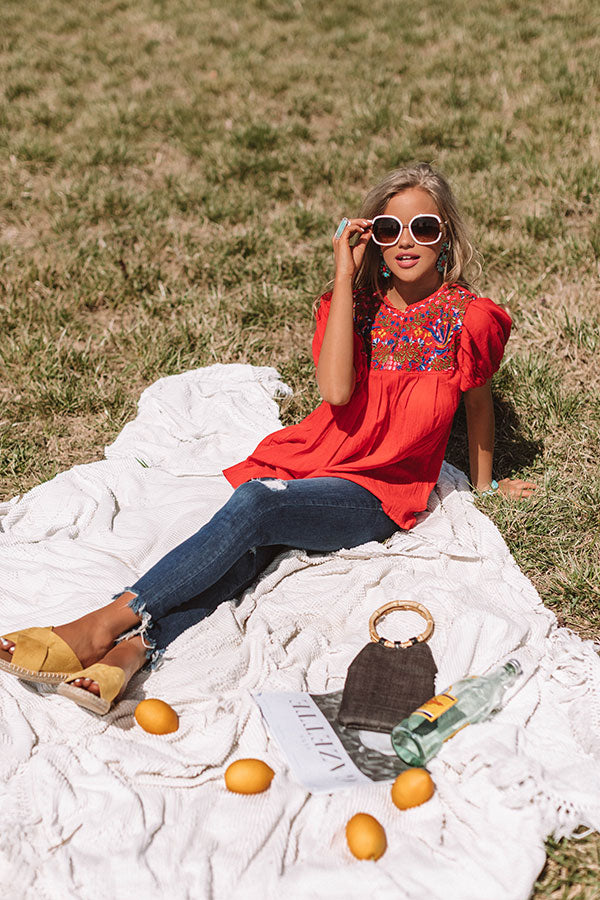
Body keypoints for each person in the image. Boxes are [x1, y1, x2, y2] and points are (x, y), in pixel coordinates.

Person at [0, 163, 536, 715]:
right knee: (250, 553)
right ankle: (130, 653)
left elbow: (478, 404)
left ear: (445, 236)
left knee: (258, 506)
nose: (405, 242)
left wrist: (485, 486)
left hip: (378, 492)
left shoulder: (470, 320)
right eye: (388, 229)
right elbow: (335, 391)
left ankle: (104, 622)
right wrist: (345, 276)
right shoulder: (353, 306)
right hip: (317, 459)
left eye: (423, 228)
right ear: (371, 238)